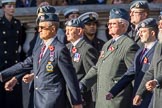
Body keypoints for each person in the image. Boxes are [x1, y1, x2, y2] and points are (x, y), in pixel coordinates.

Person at [0, 13, 83, 108]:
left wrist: (77, 102)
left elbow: (70, 77)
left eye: (42, 27)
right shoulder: (39, 48)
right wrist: (2, 75)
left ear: (52, 29)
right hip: (38, 100)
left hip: (53, 101)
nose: (39, 30)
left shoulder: (60, 49)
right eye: (39, 27)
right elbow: (24, 65)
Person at [80, 8, 139, 108]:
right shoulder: (107, 44)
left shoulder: (129, 46)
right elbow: (97, 68)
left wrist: (138, 96)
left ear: (123, 25)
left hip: (117, 100)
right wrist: (83, 84)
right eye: (109, 23)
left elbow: (134, 74)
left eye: (113, 24)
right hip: (102, 99)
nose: (109, 26)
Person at [106, 18, 158, 108]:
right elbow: (130, 73)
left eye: (143, 31)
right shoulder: (140, 51)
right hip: (138, 99)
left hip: (152, 99)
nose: (140, 34)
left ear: (153, 33)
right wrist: (113, 91)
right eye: (139, 31)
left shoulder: (158, 51)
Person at [66, 18, 98, 108]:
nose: (67, 33)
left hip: (82, 97)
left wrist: (94, 100)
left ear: (79, 31)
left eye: (70, 30)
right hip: (68, 96)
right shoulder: (67, 47)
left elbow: (93, 74)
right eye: (66, 30)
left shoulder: (86, 49)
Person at [133, 11, 162, 108]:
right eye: (160, 23)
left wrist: (157, 81)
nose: (160, 27)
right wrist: (139, 93)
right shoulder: (159, 46)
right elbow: (151, 71)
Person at [0, 0, 25, 108]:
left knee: (15, 96)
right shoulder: (0, 24)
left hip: (14, 64)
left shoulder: (17, 23)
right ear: (3, 8)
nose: (12, 8)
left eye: (13, 6)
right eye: (9, 6)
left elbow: (20, 42)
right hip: (2, 64)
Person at [78, 11, 105, 105]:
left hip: (98, 86)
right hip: (83, 88)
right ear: (83, 27)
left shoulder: (102, 44)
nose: (92, 26)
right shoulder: (79, 45)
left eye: (94, 24)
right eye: (88, 24)